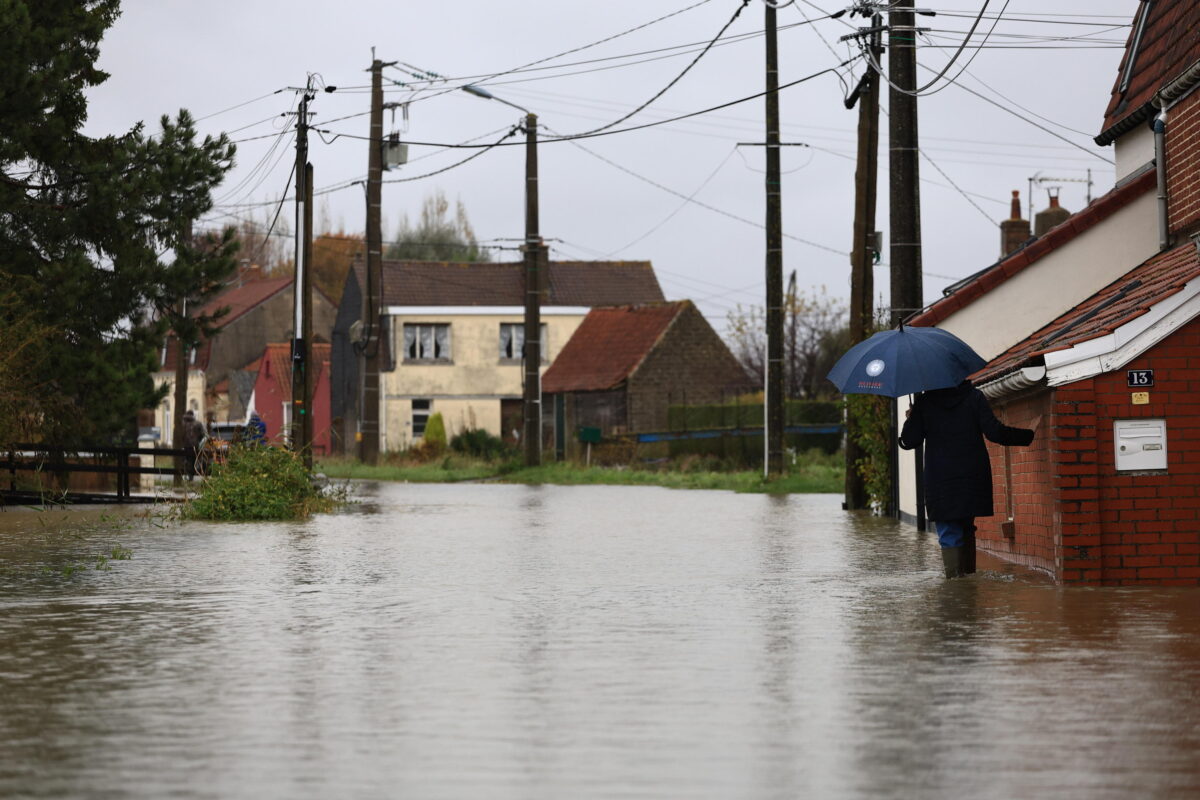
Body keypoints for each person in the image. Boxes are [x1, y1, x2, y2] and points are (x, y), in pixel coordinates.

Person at [898, 380, 1035, 578]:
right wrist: (1029, 435)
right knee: (966, 528)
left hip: (940, 479)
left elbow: (909, 441)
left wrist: (911, 419)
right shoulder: (974, 396)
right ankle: (968, 586)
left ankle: (955, 588)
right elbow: (995, 432)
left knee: (948, 531)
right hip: (972, 476)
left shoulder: (925, 402)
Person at [181, 409, 207, 480]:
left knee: (186, 460)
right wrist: (199, 442)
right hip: (194, 446)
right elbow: (204, 434)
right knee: (193, 460)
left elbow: (178, 435)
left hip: (184, 446)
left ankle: (187, 475)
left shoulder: (181, 424)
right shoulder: (197, 424)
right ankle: (191, 476)